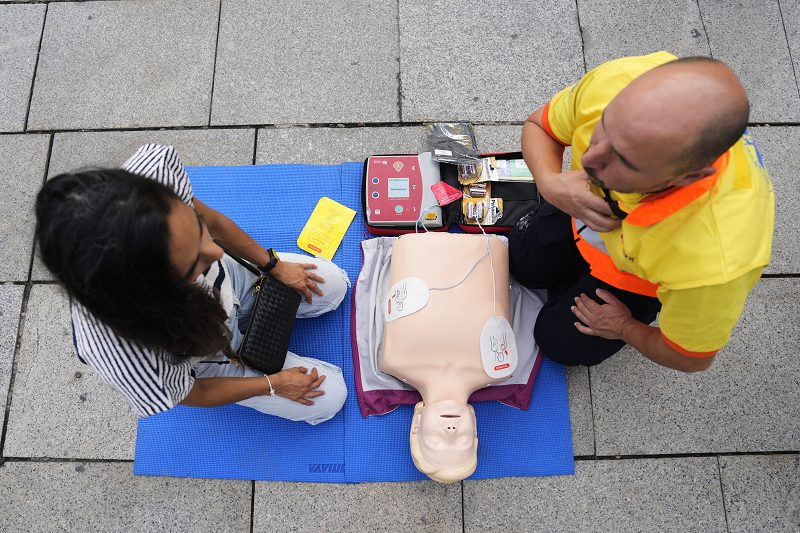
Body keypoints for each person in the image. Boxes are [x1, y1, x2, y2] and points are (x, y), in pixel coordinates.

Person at [36, 144, 349, 423]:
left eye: (196, 232)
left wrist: (273, 266)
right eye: (193, 263)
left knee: (334, 285)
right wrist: (274, 384)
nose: (213, 252)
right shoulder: (124, 356)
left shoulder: (152, 181)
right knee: (330, 397)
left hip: (239, 282)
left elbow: (213, 224)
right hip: (209, 354)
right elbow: (195, 392)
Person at [510, 52, 774, 372]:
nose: (591, 159)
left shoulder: (716, 264)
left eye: (625, 161)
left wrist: (622, 325)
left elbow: (690, 358)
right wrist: (551, 184)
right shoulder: (617, 82)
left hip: (637, 278)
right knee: (521, 261)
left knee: (556, 340)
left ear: (687, 177)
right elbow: (541, 126)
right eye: (604, 127)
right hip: (585, 221)